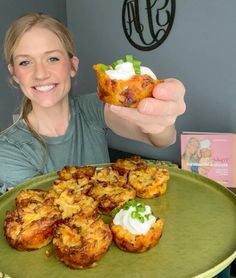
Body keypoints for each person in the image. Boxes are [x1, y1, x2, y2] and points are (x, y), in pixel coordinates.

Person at [0, 12, 186, 194]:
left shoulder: (92, 108)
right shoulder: (7, 149)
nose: (40, 74)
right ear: (14, 73)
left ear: (72, 65)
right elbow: (43, 216)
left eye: (53, 58)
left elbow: (160, 139)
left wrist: (160, 125)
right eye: (25, 62)